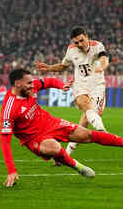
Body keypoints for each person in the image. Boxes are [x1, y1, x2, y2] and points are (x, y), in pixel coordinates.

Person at [0, 68, 123, 186]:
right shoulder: (9, 109)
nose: (33, 85)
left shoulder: (30, 88)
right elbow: (5, 142)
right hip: (34, 138)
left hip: (51, 123)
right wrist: (12, 170)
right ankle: (77, 166)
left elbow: (48, 81)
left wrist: (61, 85)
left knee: (87, 135)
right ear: (18, 84)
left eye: (32, 82)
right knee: (54, 148)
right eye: (29, 83)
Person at [36, 27, 109, 158]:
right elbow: (64, 65)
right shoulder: (71, 50)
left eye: (81, 41)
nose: (79, 44)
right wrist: (49, 67)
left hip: (97, 85)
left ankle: (66, 154)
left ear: (87, 36)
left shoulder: (97, 46)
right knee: (83, 103)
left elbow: (104, 59)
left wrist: (101, 67)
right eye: (76, 42)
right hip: (80, 84)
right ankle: (102, 131)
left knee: (86, 119)